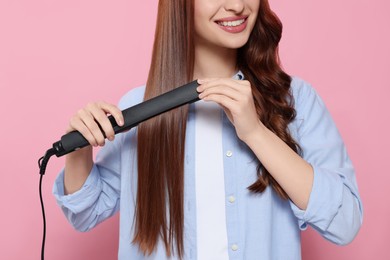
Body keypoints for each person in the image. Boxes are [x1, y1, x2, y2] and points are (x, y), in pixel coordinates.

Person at [53, 0, 363, 259]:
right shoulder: (139, 107)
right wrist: (80, 151)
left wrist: (256, 133)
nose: (237, 5)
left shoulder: (296, 101)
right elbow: (85, 214)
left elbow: (345, 223)